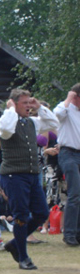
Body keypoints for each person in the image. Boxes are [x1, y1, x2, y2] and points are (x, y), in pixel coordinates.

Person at [0, 88, 59, 269]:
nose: (28, 106)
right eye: (25, 103)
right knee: (21, 215)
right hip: (13, 175)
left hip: (31, 175)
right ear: (14, 104)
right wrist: (9, 109)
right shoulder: (4, 121)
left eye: (29, 102)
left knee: (41, 213)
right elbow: (7, 129)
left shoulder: (31, 122)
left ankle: (16, 243)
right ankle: (23, 257)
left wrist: (39, 107)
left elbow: (54, 122)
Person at [53, 84, 80, 246]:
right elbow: (57, 114)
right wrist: (69, 97)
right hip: (68, 153)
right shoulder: (65, 108)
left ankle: (77, 232)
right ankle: (69, 233)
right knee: (74, 194)